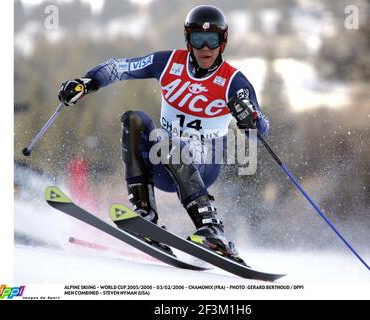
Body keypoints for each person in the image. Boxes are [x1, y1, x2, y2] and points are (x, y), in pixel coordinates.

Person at [58, 5, 269, 264]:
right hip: (163, 162)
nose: (205, 48)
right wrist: (87, 82)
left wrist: (252, 121)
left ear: (223, 42)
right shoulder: (169, 63)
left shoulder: (233, 81)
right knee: (134, 119)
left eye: (212, 39)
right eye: (197, 39)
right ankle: (145, 215)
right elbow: (120, 67)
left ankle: (211, 227)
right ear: (187, 39)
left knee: (167, 141)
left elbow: (259, 133)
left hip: (203, 165)